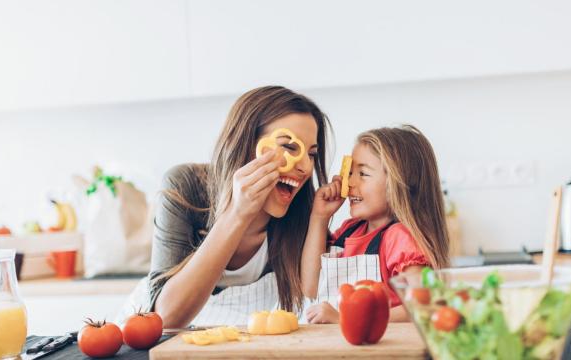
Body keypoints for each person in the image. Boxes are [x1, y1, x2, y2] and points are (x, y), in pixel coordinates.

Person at [148, 86, 333, 327]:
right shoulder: (185, 187)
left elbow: (312, 298)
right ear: (246, 143)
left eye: (312, 154)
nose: (305, 168)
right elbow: (165, 319)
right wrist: (237, 213)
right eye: (289, 147)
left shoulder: (304, 213)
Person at [301, 125, 449, 324]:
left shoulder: (399, 238)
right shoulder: (349, 230)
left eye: (362, 174)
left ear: (398, 183)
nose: (349, 183)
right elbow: (310, 288)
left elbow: (425, 305)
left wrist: (346, 319)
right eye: (350, 173)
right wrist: (319, 217)